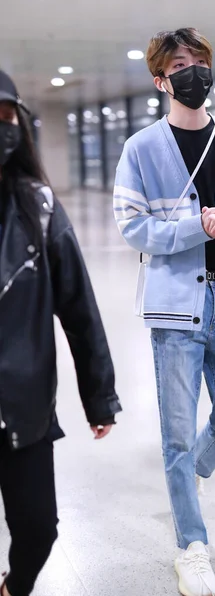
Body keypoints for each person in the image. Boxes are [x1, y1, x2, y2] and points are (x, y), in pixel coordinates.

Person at [113, 27, 215, 596]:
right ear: (161, 80)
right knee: (177, 437)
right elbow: (131, 225)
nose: (194, 72)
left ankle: (192, 479)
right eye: (180, 64)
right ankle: (192, 545)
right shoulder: (140, 148)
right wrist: (194, 227)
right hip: (175, 308)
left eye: (200, 62)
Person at [0, 69, 122, 596]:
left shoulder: (40, 206)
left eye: (2, 114)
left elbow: (79, 308)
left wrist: (99, 397)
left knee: (37, 529)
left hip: (22, 407)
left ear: (18, 123)